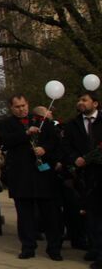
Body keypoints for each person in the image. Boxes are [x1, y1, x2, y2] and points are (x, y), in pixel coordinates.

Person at [0, 94, 63, 261]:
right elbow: (5, 141)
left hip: (43, 174)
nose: (22, 109)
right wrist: (25, 134)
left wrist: (45, 149)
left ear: (28, 104)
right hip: (21, 176)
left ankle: (54, 247)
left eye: (24, 105)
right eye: (17, 107)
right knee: (25, 214)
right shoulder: (6, 124)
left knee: (50, 214)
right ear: (11, 108)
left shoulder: (41, 120)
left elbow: (55, 142)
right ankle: (28, 246)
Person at [62, 91, 101, 268]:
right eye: (79, 99)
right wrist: (74, 159)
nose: (80, 102)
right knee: (91, 215)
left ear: (95, 103)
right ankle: (95, 247)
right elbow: (67, 147)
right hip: (85, 176)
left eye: (84, 100)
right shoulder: (72, 125)